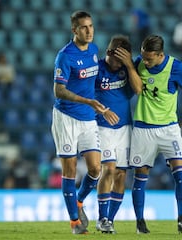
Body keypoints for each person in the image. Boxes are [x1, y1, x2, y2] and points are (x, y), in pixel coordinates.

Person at [50, 11, 119, 235]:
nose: (89, 31)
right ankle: (74, 223)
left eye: (91, 26)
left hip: (88, 118)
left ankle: (79, 201)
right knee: (70, 170)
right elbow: (58, 90)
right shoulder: (65, 56)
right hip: (67, 118)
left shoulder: (93, 50)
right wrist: (87, 100)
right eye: (84, 28)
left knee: (96, 168)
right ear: (74, 30)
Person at [126, 35, 182, 234]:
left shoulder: (177, 68)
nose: (145, 62)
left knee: (180, 173)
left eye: (149, 59)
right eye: (143, 57)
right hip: (143, 129)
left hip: (169, 129)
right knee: (140, 177)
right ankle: (140, 222)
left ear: (160, 55)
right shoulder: (139, 64)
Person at [94, 35, 136, 233]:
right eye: (116, 59)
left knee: (120, 175)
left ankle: (109, 220)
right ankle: (102, 217)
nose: (117, 64)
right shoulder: (96, 69)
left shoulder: (128, 70)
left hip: (125, 127)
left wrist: (128, 65)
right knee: (108, 170)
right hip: (102, 127)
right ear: (109, 52)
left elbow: (138, 89)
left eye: (122, 60)